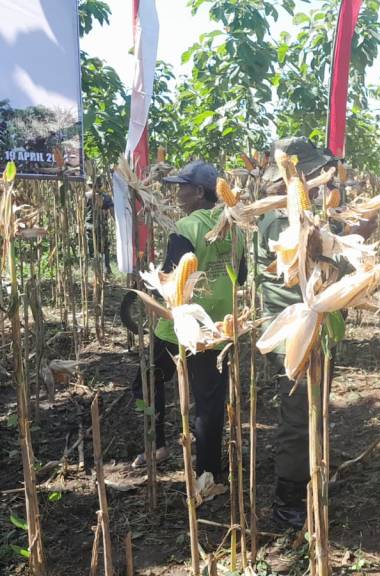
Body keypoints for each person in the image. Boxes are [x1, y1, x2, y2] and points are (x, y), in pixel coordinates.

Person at [130, 160, 245, 500]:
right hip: (219, 329)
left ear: (198, 192)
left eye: (181, 188)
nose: (177, 194)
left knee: (145, 384)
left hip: (177, 328)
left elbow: (170, 280)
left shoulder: (186, 227)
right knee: (209, 405)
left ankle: (156, 444)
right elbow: (241, 276)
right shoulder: (236, 227)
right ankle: (209, 474)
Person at [257, 136, 344, 531]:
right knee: (297, 416)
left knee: (313, 409)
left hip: (311, 324)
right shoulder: (281, 219)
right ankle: (288, 501)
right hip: (295, 330)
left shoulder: (297, 214)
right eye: (316, 172)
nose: (323, 178)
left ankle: (312, 477)